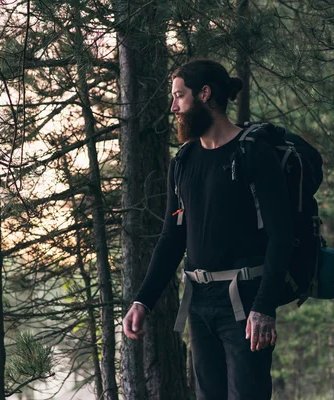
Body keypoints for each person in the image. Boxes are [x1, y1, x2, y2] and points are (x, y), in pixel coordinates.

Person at [122, 59, 293, 400]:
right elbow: (172, 239)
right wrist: (143, 301)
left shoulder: (253, 152)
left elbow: (281, 235)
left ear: (205, 94)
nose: (174, 107)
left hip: (245, 303)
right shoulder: (184, 161)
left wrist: (264, 307)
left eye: (179, 97)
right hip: (199, 304)